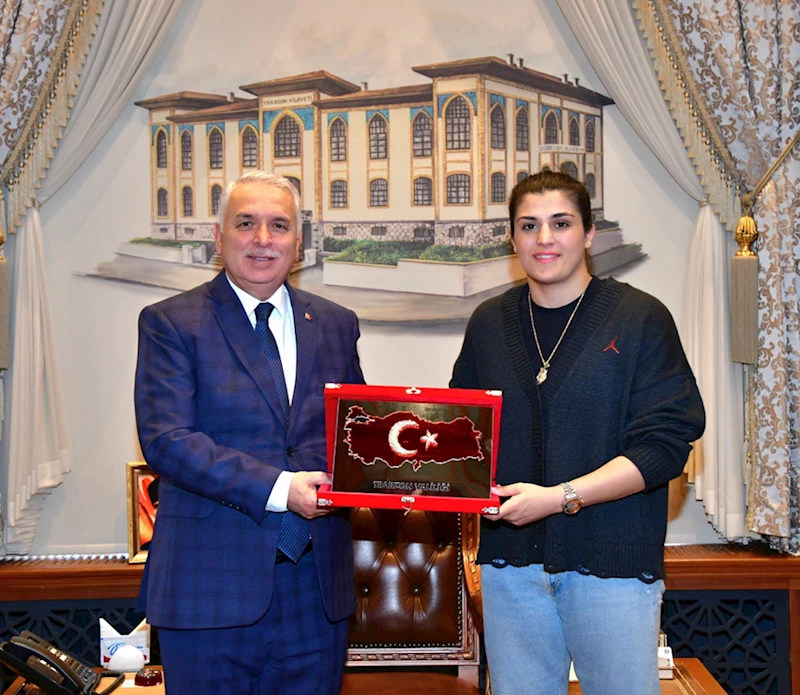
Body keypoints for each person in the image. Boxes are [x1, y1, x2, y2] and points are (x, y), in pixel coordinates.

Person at [450, 171, 704, 695]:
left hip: (612, 567)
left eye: (561, 223)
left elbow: (664, 447)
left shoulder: (640, 318)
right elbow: (463, 434)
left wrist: (559, 498)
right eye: (529, 225)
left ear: (588, 233)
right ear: (512, 238)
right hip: (511, 567)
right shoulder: (488, 323)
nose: (544, 238)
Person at [134, 171, 364, 695]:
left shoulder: (336, 323)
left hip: (315, 594)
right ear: (219, 238)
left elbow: (355, 433)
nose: (263, 239)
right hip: (209, 591)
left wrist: (414, 469)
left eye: (279, 225)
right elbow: (167, 441)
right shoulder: (171, 322)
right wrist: (282, 489)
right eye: (246, 223)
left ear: (298, 243)